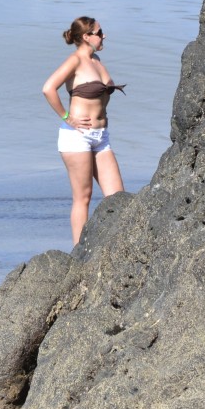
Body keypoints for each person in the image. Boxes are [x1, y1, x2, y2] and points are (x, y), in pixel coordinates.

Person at [42, 16, 125, 245]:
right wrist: (67, 117)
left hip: (101, 137)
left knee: (118, 198)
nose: (104, 36)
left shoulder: (96, 60)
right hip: (77, 137)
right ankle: (79, 253)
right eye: (100, 32)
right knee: (83, 197)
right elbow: (48, 88)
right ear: (86, 37)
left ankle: (116, 247)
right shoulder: (75, 61)